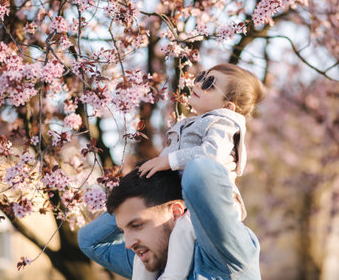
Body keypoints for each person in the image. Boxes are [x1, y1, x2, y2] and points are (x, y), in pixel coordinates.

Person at [135, 63, 265, 279]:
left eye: (210, 84)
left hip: (211, 202)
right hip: (183, 201)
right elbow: (165, 162)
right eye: (203, 76)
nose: (198, 84)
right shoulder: (188, 124)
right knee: (151, 236)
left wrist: (168, 160)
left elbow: (210, 154)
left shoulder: (224, 123)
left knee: (183, 231)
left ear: (228, 106)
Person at [77, 158, 261, 279]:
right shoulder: (155, 261)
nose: (128, 243)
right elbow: (89, 241)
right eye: (124, 230)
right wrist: (132, 201)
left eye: (137, 225)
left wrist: (171, 160)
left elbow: (199, 173)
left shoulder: (223, 256)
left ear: (176, 213)